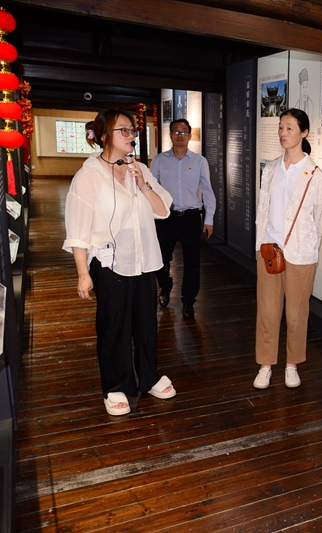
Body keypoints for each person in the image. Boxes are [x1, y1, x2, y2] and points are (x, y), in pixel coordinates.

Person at [63, 109, 176, 416]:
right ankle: (116, 385)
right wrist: (82, 273)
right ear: (104, 136)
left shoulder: (140, 168)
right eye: (123, 130)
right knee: (114, 325)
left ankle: (149, 377)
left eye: (132, 131)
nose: (131, 136)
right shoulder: (88, 176)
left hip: (143, 259)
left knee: (146, 322)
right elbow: (78, 230)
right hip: (109, 262)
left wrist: (144, 185)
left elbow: (163, 210)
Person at [253, 109, 322, 390]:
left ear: (304, 133)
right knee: (267, 311)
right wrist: (261, 241)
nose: (283, 133)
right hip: (269, 249)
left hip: (300, 254)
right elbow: (264, 207)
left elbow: (319, 220)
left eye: (289, 128)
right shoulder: (271, 168)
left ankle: (292, 364)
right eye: (280, 127)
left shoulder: (316, 175)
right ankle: (265, 364)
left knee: (296, 314)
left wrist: (306, 247)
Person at [151, 119, 216, 319]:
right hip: (166, 218)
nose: (180, 135)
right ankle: (166, 285)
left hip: (190, 218)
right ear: (170, 134)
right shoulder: (159, 160)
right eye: (176, 131)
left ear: (190, 135)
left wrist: (209, 219)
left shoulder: (199, 161)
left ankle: (188, 300)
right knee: (161, 259)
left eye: (184, 132)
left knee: (192, 262)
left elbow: (208, 191)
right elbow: (151, 190)